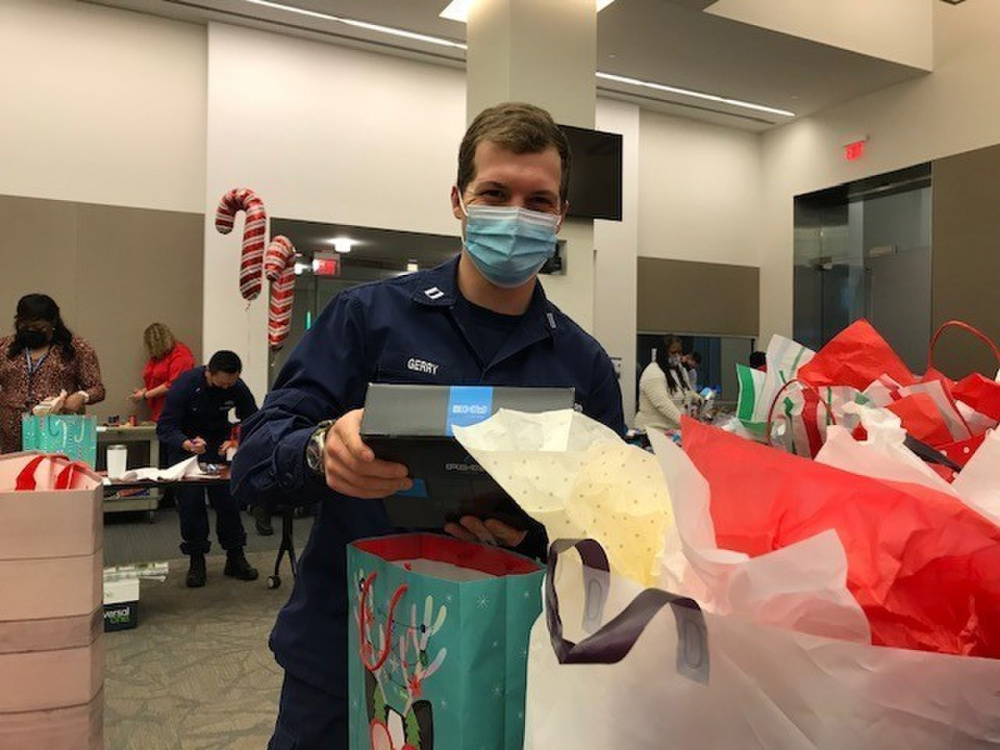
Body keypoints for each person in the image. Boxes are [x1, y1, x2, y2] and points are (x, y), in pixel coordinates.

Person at [231, 101, 625, 749]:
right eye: (495, 193)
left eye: (539, 200)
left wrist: (535, 533)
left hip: (503, 663)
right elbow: (253, 460)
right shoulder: (367, 320)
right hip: (350, 651)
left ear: (559, 216)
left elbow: (615, 526)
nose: (517, 215)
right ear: (458, 201)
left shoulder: (580, 364)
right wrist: (322, 450)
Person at [157, 350, 260, 587]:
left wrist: (236, 439)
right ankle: (196, 560)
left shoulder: (236, 386)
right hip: (185, 445)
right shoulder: (185, 385)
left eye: (230, 385)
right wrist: (185, 442)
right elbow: (165, 427)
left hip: (217, 445)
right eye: (221, 384)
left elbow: (253, 419)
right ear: (208, 373)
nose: (226, 389)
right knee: (191, 503)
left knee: (228, 499)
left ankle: (235, 556)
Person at [0, 293, 105, 454]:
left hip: (57, 437)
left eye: (38, 328)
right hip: (10, 440)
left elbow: (97, 389)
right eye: (25, 327)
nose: (31, 331)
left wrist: (82, 396)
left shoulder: (77, 348)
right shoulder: (4, 347)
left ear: (53, 323)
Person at [129, 323, 195, 422]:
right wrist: (143, 391)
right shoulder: (158, 357)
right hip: (158, 412)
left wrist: (145, 395)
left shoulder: (181, 355)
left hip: (175, 412)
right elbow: (156, 380)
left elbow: (173, 384)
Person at [634, 334, 699, 432]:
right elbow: (662, 404)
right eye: (673, 352)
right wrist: (686, 423)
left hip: (672, 431)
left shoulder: (679, 371)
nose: (678, 355)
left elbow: (686, 391)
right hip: (653, 432)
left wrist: (699, 399)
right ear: (663, 353)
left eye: (680, 352)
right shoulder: (653, 372)